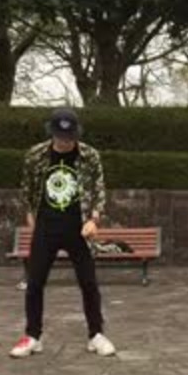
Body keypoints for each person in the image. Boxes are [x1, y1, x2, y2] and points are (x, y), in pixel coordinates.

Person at [9, 108, 116, 358]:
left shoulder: (89, 155)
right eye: (61, 137)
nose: (66, 142)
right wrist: (31, 218)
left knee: (88, 282)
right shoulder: (35, 155)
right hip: (46, 227)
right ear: (52, 133)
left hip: (78, 227)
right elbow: (27, 190)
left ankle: (96, 334)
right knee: (35, 282)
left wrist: (94, 220)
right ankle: (33, 336)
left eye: (70, 138)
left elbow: (99, 190)